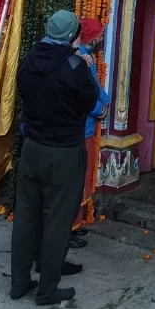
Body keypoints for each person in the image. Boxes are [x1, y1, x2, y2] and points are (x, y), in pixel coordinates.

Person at [10, 9, 97, 305]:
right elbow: (89, 101)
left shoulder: (30, 58)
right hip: (63, 152)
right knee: (58, 219)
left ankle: (20, 282)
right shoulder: (75, 66)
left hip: (32, 148)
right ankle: (47, 289)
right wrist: (85, 65)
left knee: (26, 216)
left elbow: (22, 89)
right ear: (74, 36)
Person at [69, 15, 110, 247]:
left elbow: (94, 86)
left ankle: (75, 225)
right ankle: (69, 229)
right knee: (75, 179)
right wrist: (100, 108)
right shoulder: (79, 58)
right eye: (100, 34)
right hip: (80, 127)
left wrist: (105, 101)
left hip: (86, 125)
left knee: (81, 178)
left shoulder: (87, 57)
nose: (103, 37)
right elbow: (85, 91)